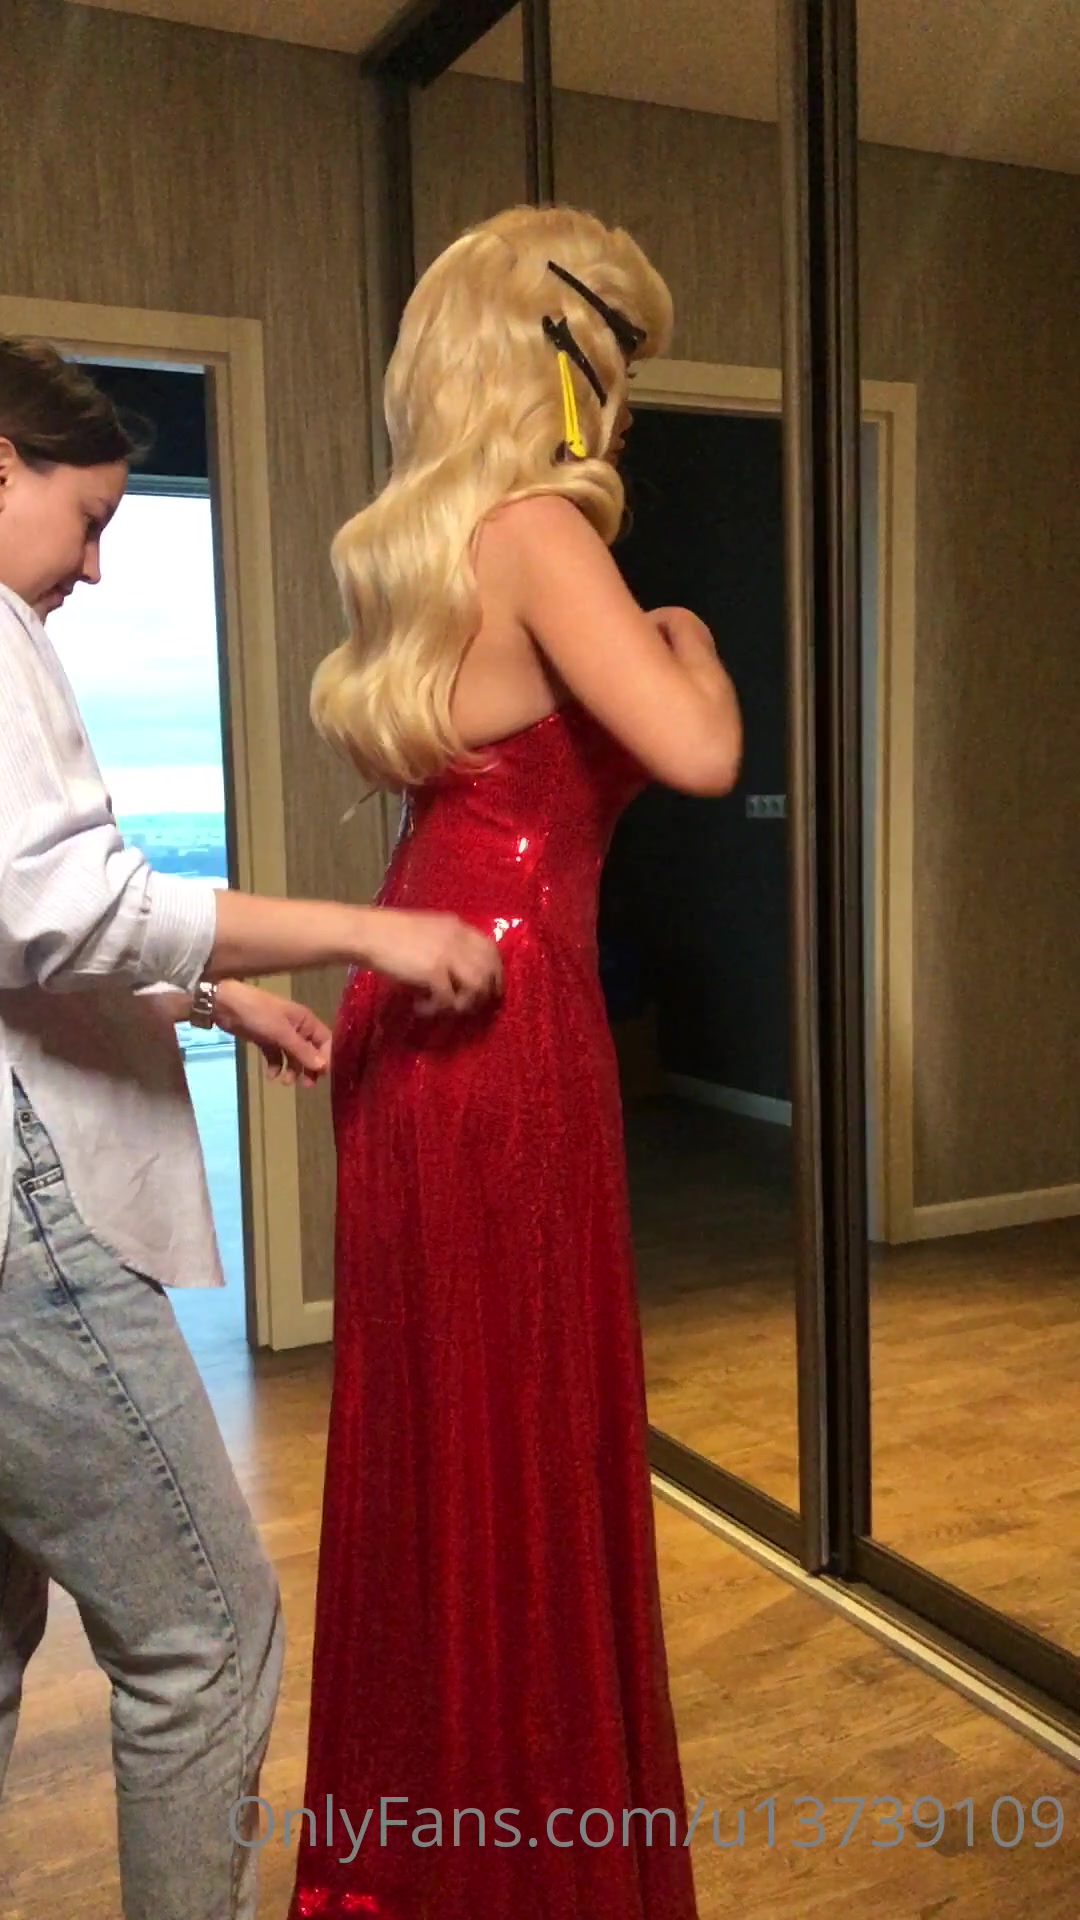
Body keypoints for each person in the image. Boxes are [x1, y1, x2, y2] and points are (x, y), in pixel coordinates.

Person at [0, 336, 502, 1920]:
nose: (94, 566)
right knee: (206, 1639)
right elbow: (60, 903)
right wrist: (363, 929)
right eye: (87, 520)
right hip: (23, 1221)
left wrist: (214, 999)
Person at [287, 206, 743, 1920]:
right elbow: (695, 752)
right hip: (508, 1016)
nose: (623, 406)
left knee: (441, 1450)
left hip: (409, 1017)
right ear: (560, 367)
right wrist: (694, 639)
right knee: (520, 1445)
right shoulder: (542, 530)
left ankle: (430, 1853)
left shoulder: (427, 547)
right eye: (619, 365)